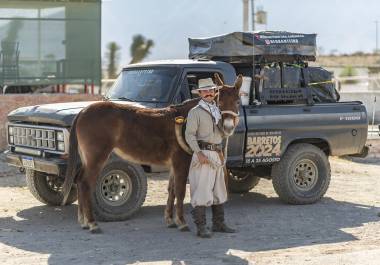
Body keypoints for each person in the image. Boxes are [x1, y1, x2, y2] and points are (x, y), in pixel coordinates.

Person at [185, 77, 236, 238]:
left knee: (218, 189)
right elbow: (189, 135)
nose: (208, 93)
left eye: (210, 90)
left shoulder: (218, 111)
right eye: (204, 91)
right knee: (202, 190)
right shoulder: (195, 112)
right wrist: (198, 153)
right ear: (200, 93)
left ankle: (218, 224)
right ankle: (201, 227)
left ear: (215, 92)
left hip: (217, 153)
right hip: (204, 154)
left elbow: (223, 133)